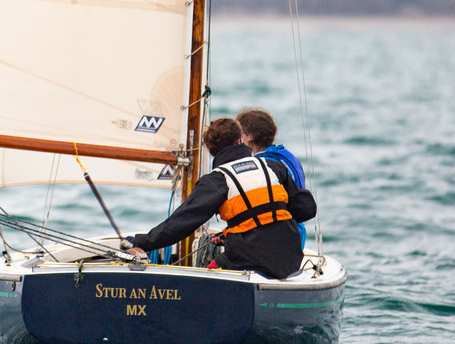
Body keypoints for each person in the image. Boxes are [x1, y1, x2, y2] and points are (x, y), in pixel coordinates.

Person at [122, 117, 305, 279]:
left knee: (209, 271)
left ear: (212, 151)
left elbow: (181, 224)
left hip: (251, 259)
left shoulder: (217, 180)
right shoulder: (271, 166)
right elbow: (306, 209)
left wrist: (141, 242)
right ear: (239, 140)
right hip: (291, 257)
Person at [235, 107, 316, 249]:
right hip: (297, 233)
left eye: (240, 134)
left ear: (250, 136)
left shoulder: (263, 166)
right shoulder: (286, 156)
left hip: (278, 239)